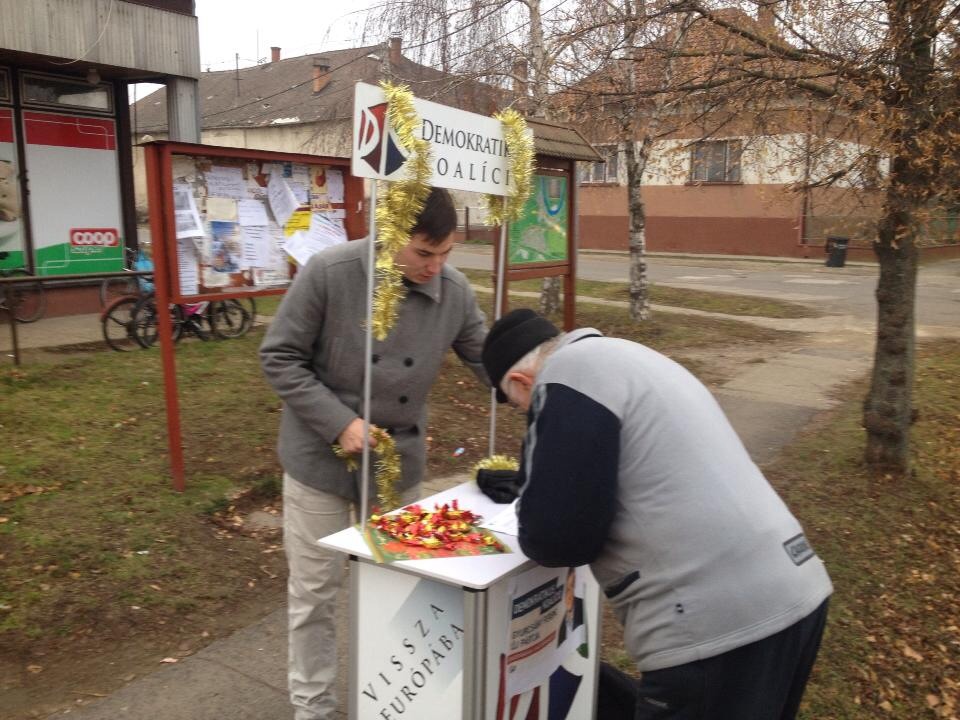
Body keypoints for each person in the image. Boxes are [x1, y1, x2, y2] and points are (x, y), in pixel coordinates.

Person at [481, 308, 833, 720]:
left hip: (713, 625)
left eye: (522, 408)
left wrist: (537, 492)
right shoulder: (627, 356)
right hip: (792, 591)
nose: (529, 415)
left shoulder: (564, 375)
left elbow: (557, 538)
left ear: (521, 383)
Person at [259, 187, 488, 720]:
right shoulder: (330, 272)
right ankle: (313, 706)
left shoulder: (453, 291)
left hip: (396, 464)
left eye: (446, 253)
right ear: (389, 237)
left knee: (397, 592)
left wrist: (535, 380)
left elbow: (488, 359)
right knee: (315, 593)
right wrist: (340, 423)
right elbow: (280, 357)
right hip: (319, 460)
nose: (436, 266)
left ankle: (390, 702)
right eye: (423, 253)